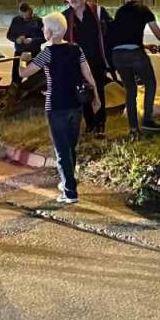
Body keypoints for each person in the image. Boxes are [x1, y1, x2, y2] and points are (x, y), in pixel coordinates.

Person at [19, 12, 100, 204]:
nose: (42, 29)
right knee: (70, 147)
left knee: (61, 150)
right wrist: (96, 97)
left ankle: (70, 191)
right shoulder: (76, 49)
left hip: (55, 105)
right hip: (76, 104)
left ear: (51, 30)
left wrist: (23, 58)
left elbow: (25, 73)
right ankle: (68, 182)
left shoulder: (47, 53)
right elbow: (87, 73)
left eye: (44, 27)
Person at [107, 0, 160, 134]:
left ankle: (133, 128)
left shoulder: (120, 11)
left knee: (130, 89)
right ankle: (147, 121)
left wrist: (145, 45)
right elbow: (159, 34)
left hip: (117, 55)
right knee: (150, 82)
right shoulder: (144, 10)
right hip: (135, 55)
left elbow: (125, 37)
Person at [61, 0, 112, 134]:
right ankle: (89, 122)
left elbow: (111, 29)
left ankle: (100, 123)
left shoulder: (97, 11)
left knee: (99, 90)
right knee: (82, 92)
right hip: (77, 62)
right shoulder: (65, 16)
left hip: (97, 59)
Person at [6, 2, 44, 83]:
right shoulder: (16, 20)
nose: (24, 17)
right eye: (22, 15)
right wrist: (16, 39)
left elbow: (45, 38)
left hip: (35, 54)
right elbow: (9, 35)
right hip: (19, 53)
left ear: (31, 11)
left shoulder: (38, 21)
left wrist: (32, 40)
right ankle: (15, 91)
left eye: (26, 15)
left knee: (36, 78)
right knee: (16, 78)